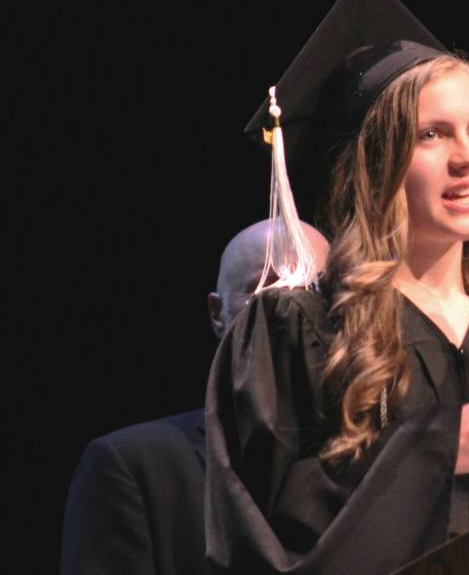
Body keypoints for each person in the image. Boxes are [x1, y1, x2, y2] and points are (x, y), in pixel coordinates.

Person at [205, 0, 469, 575]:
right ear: (372, 165)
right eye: (431, 134)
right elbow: (266, 528)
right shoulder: (300, 328)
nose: (466, 157)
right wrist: (432, 450)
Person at [60, 220, 330, 575]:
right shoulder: (136, 468)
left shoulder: (380, 464)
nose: (290, 313)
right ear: (218, 315)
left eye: (312, 290)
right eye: (264, 290)